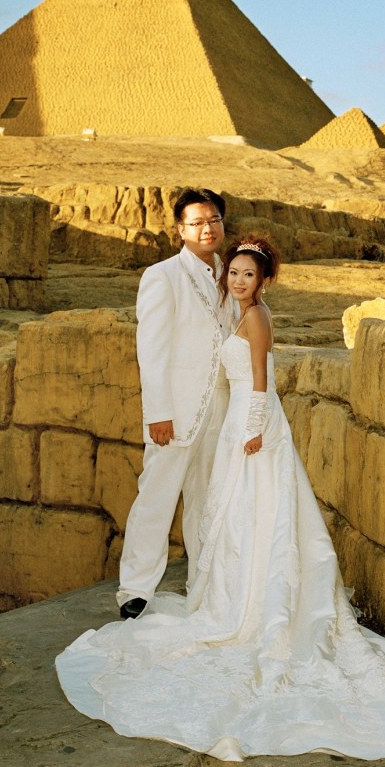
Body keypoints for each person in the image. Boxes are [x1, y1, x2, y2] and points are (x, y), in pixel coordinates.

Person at [56, 234, 385, 762]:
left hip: (252, 428)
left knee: (259, 514)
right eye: (233, 273)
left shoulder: (256, 319)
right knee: (234, 517)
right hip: (232, 427)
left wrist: (252, 430)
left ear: (265, 280)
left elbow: (260, 382)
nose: (237, 280)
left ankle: (261, 612)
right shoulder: (232, 309)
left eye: (248, 275)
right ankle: (234, 599)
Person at [115, 187, 236, 621]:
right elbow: (152, 351)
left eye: (214, 220)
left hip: (222, 410)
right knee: (157, 496)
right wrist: (158, 414)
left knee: (209, 498)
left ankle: (203, 585)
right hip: (177, 411)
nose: (208, 229)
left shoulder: (233, 273)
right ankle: (135, 588)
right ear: (180, 230)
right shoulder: (161, 276)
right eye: (197, 222)